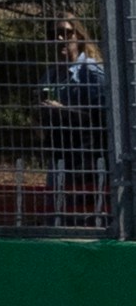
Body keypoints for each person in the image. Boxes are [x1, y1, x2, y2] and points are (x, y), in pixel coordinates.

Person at [39, 15, 108, 225]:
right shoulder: (50, 76)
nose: (60, 38)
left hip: (87, 160)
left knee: (87, 220)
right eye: (54, 34)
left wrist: (64, 112)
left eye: (67, 33)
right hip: (59, 156)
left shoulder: (92, 72)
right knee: (56, 219)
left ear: (78, 36)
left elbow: (102, 118)